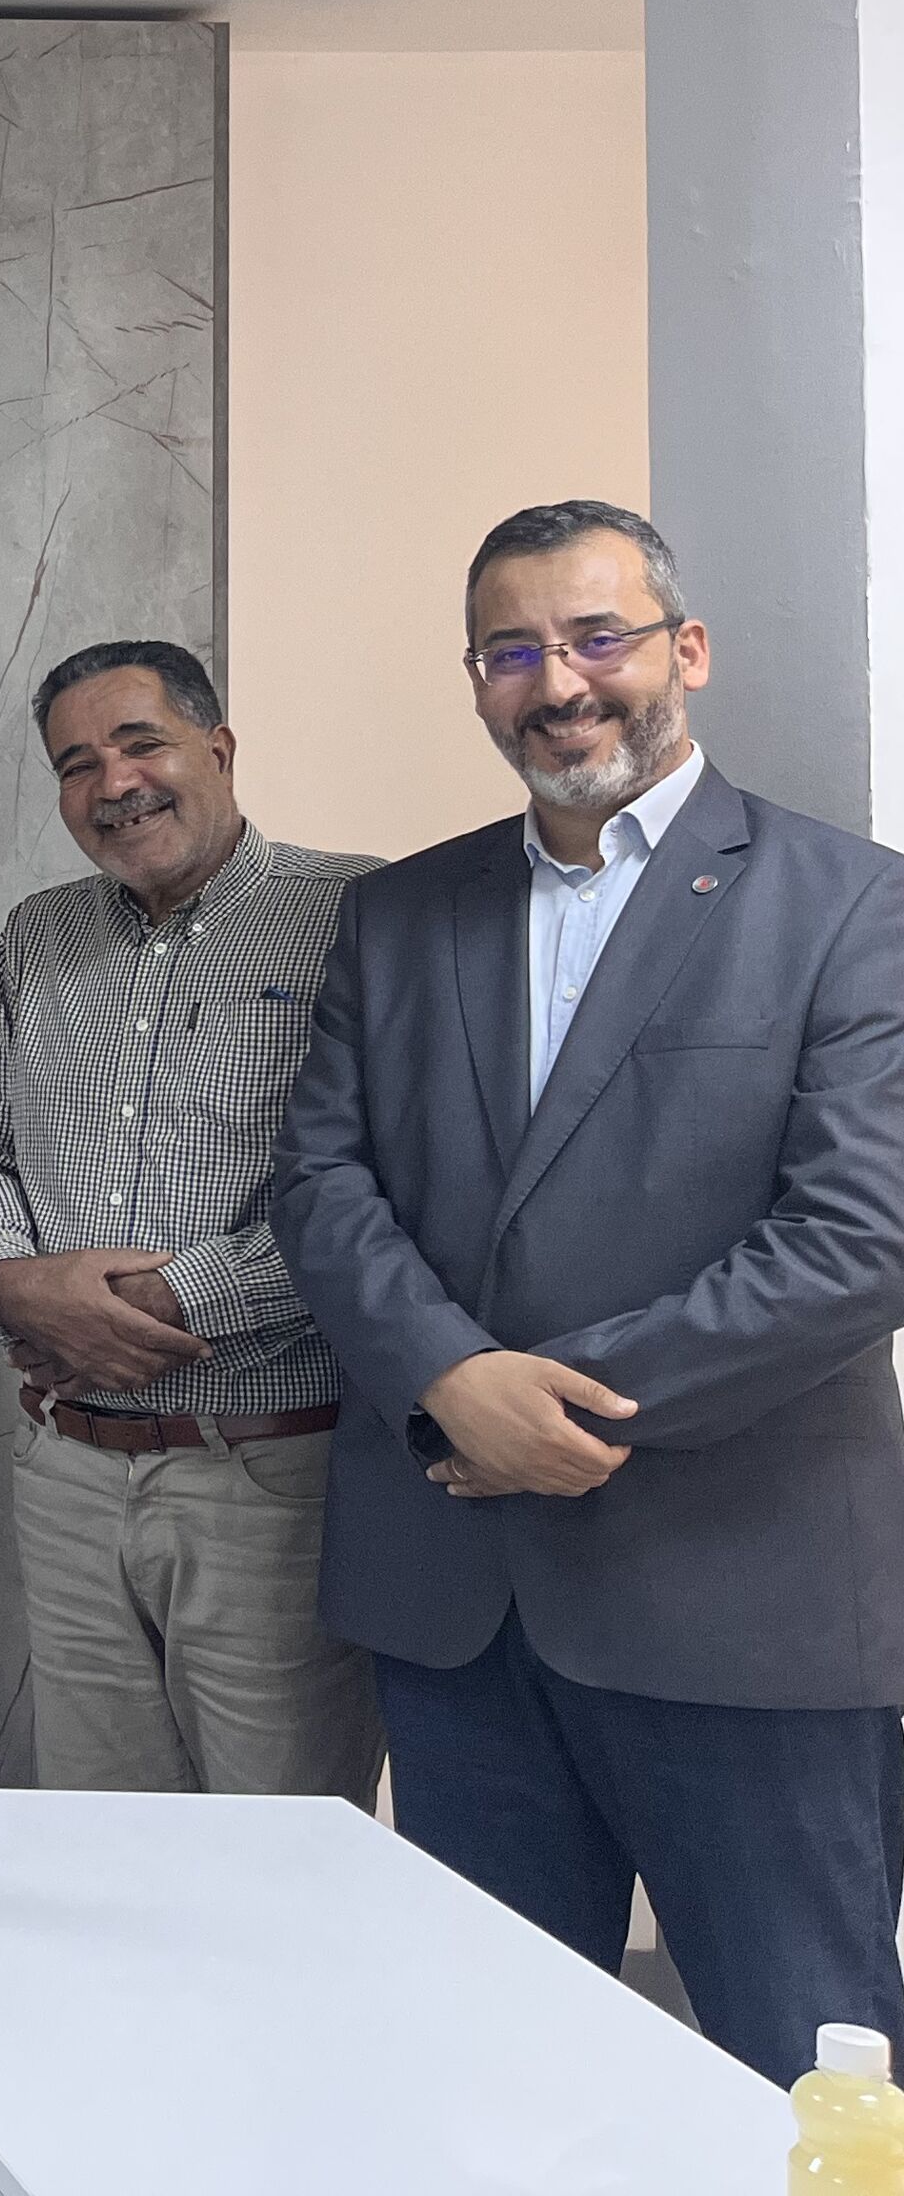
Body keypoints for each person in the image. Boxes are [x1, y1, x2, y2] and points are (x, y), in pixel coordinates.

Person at [274, 502, 904, 2084]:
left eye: (596, 636)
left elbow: (857, 1241)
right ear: (476, 683)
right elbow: (324, 1186)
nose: (558, 682)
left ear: (684, 650)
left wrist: (554, 1405)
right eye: (512, 651)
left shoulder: (852, 907)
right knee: (491, 2081)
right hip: (457, 1601)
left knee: (797, 2079)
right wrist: (447, 1379)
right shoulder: (398, 913)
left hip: (737, 1600)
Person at [0, 639, 384, 1801]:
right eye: (77, 764)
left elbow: (386, 1181)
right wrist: (8, 1286)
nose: (113, 784)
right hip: (64, 1467)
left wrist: (179, 1300)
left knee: (281, 1852)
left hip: (270, 1470)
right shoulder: (40, 936)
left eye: (142, 744)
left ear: (219, 748)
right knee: (106, 1845)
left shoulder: (360, 914)